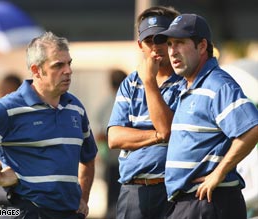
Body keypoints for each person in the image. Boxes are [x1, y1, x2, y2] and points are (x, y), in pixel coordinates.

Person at [0, 31, 98, 219]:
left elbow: (88, 158)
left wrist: (83, 198)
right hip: (25, 212)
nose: (67, 70)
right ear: (36, 70)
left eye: (69, 63)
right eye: (58, 65)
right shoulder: (7, 108)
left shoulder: (75, 107)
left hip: (69, 214)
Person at [152, 14, 258, 219]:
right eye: (170, 44)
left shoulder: (218, 84)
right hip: (189, 203)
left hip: (209, 202)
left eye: (180, 43)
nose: (172, 51)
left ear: (202, 46)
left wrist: (217, 174)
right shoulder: (187, 86)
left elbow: (252, 128)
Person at [107, 6, 181, 219]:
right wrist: (157, 137)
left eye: (161, 38)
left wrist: (149, 82)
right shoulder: (130, 83)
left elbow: (166, 127)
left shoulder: (186, 81)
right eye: (149, 41)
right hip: (133, 189)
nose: (156, 46)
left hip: (172, 190)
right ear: (140, 45)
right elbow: (115, 137)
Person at [95, 69, 127, 219]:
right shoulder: (130, 102)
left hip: (112, 160)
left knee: (113, 199)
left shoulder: (107, 104)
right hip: (127, 160)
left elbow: (101, 135)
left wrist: (102, 154)